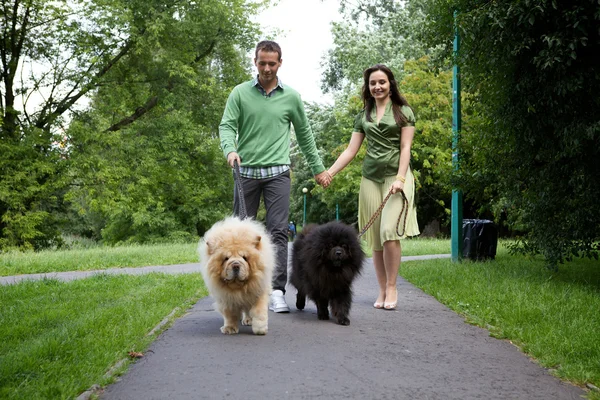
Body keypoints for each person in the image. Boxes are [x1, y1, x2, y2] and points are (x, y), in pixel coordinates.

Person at [219, 40, 331, 313]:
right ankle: (241, 291)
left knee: (278, 231)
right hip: (244, 173)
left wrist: (318, 169)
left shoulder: (291, 97)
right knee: (242, 235)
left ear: (280, 63)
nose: (267, 68)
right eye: (262, 63)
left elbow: (305, 135)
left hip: (278, 174)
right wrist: (230, 150)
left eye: (272, 63)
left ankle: (276, 291)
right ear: (255, 62)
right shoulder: (239, 93)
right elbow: (227, 126)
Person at [323, 64, 420, 310]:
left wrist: (400, 179)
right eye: (372, 83)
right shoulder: (363, 116)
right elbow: (351, 150)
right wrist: (330, 173)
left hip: (396, 178)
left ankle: (392, 286)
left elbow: (405, 148)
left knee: (389, 232)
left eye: (382, 82)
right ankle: (381, 288)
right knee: (375, 238)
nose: (377, 86)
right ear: (368, 87)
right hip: (370, 180)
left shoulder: (403, 112)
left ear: (390, 84)